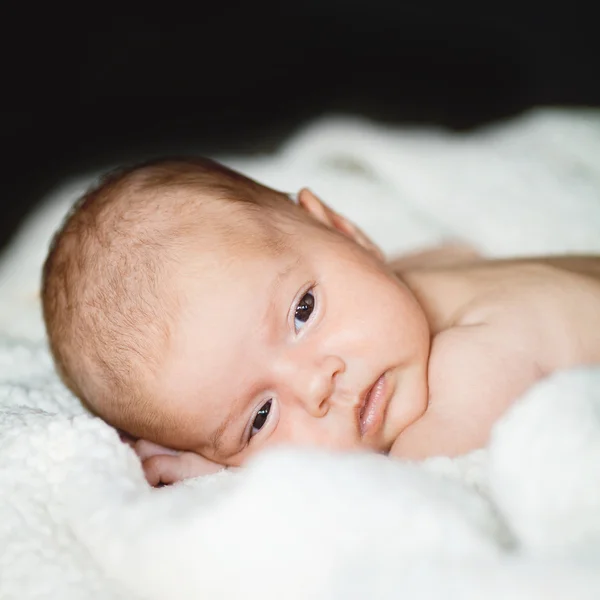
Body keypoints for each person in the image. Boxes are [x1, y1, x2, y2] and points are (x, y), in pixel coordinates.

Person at [41, 157, 600, 485]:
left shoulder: (472, 370)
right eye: (259, 418)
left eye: (303, 312)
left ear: (343, 229)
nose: (316, 383)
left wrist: (219, 481)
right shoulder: (407, 281)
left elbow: (388, 505)